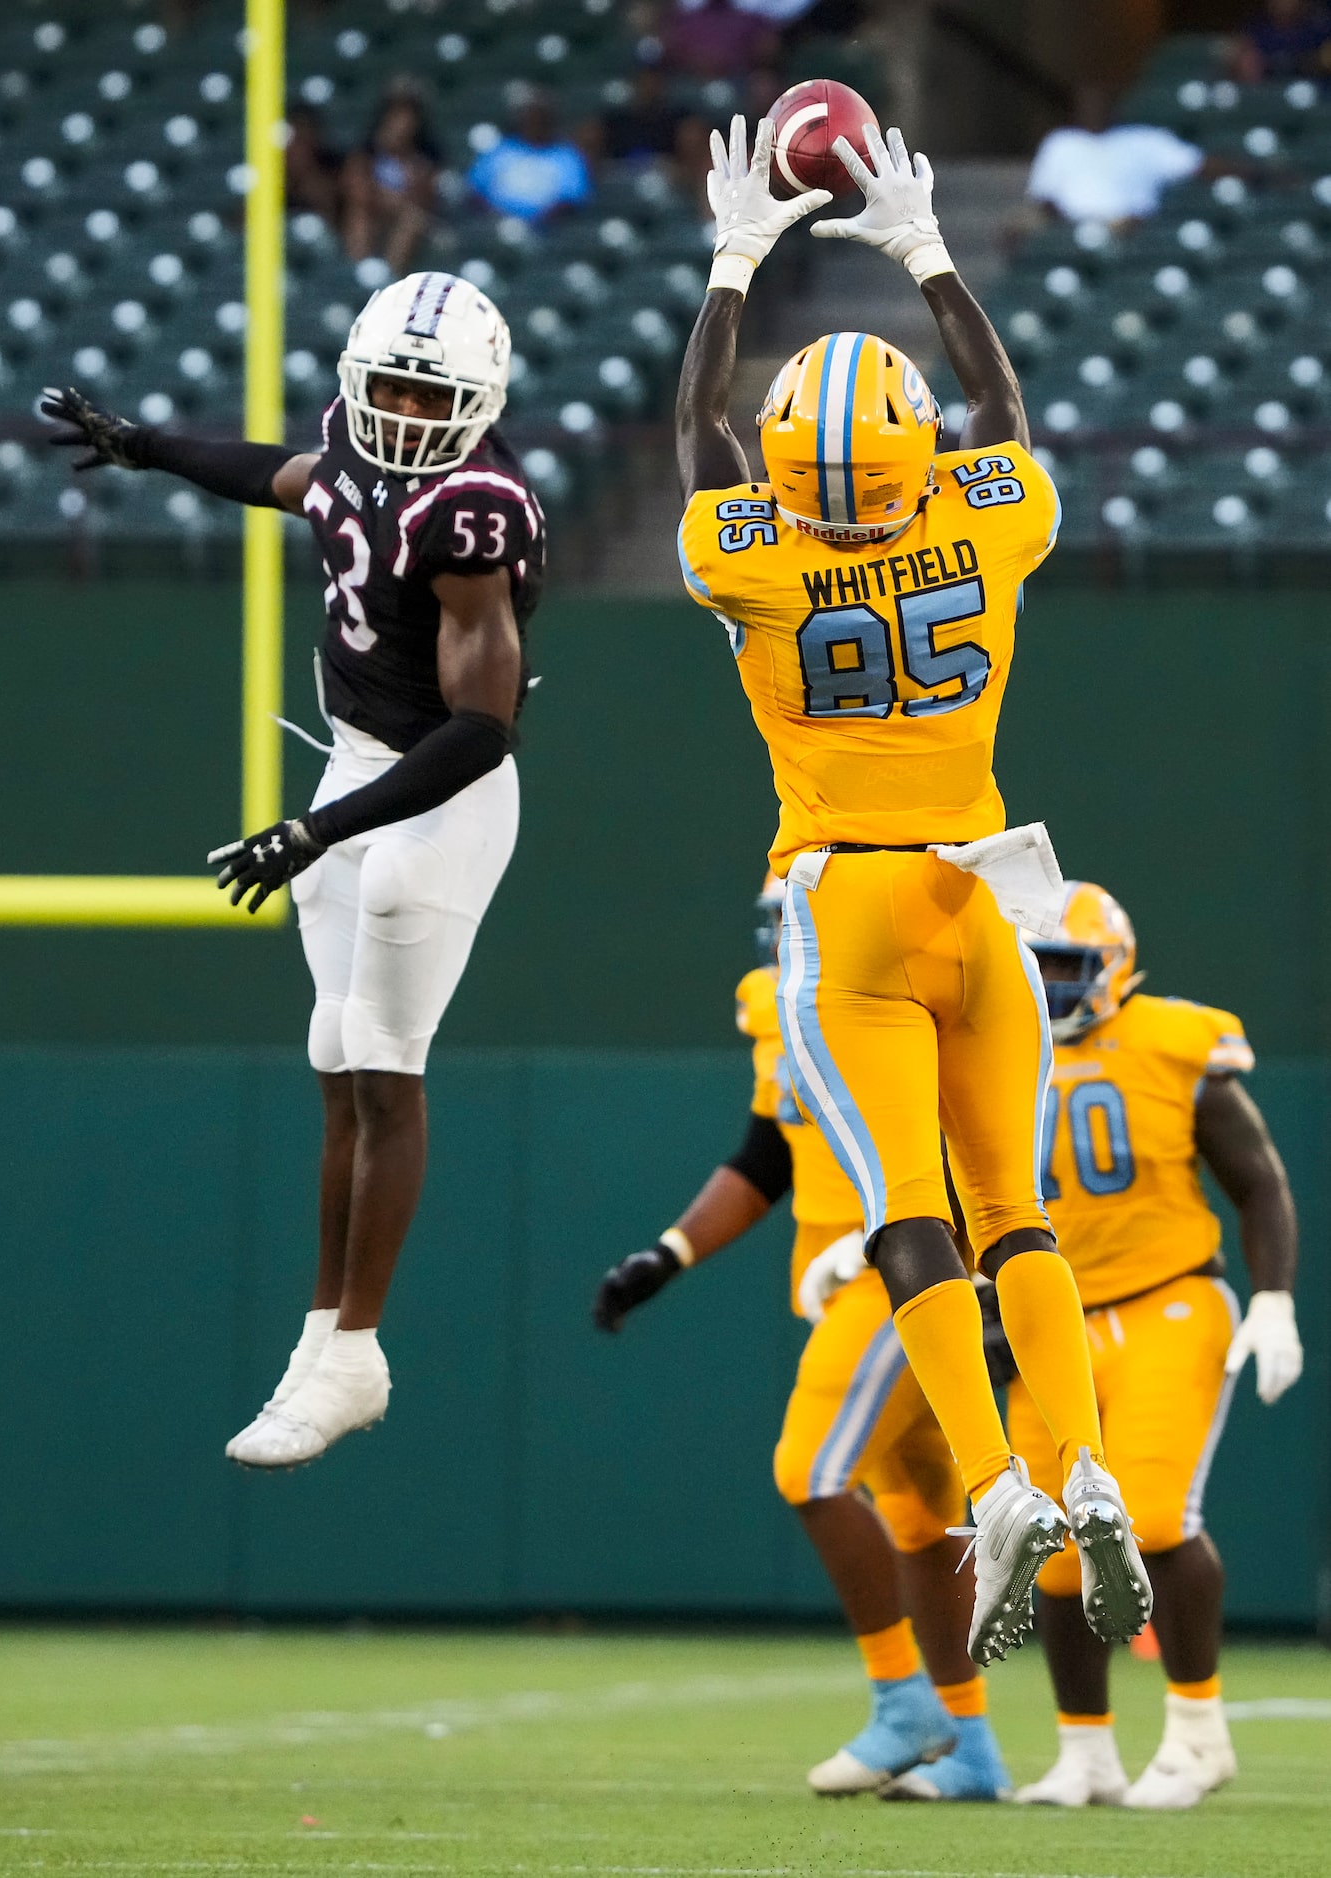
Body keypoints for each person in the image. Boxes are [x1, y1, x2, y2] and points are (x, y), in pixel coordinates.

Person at [674, 114, 1153, 1668]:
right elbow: (1001, 411)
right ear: (913, 451)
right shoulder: (983, 515)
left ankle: (1005, 1489)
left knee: (908, 1216)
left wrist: (738, 263)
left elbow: (703, 445)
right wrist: (927, 253)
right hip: (982, 902)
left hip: (850, 909)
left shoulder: (758, 559)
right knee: (1022, 1215)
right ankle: (1078, 1464)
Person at [41, 270, 545, 1468]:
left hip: (444, 786)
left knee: (385, 1055)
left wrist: (316, 830)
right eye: (388, 387)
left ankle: (359, 1350)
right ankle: (318, 1345)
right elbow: (289, 480)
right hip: (359, 760)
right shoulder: (357, 456)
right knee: (333, 1052)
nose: (407, 413)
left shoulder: (475, 510)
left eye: (432, 394)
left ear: (478, 401)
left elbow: (482, 729)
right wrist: (152, 448)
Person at [593, 876, 1012, 1801]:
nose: (787, 942)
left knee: (812, 1472)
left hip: (903, 1276)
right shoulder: (773, 1013)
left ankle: (903, 1699)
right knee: (915, 1516)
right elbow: (768, 1151)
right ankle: (971, 1747)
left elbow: (982, 1142)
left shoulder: (914, 1003)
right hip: (841, 1283)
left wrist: (951, 1260)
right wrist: (668, 1255)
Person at [1006, 883, 1301, 1811]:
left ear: (1116, 968)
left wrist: (1276, 1300)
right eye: (1039, 966)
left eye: (1069, 966)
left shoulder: (1173, 1043)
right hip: (1054, 1322)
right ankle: (1086, 1753)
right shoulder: (996, 1051)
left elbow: (1258, 1183)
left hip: (1170, 1301)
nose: (1053, 986)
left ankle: (1197, 1732)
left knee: (1156, 1517)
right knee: (1046, 1547)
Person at [1026, 88, 1204, 228]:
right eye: (1087, 105)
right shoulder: (1061, 142)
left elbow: (1196, 164)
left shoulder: (1144, 139)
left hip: (1130, 227)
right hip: (1070, 226)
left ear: (1114, 106)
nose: (1094, 110)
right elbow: (1044, 196)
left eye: (1100, 104)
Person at [342, 89, 443, 277]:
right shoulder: (366, 154)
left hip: (410, 221)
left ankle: (389, 279)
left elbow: (425, 200)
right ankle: (358, 275)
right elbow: (358, 192)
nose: (401, 126)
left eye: (407, 120)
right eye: (396, 118)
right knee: (359, 215)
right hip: (374, 214)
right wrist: (389, 200)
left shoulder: (424, 160)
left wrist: (404, 161)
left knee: (411, 220)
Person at [468, 92, 591, 224]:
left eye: (541, 117)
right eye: (531, 116)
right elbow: (475, 191)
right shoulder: (499, 150)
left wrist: (537, 222)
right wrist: (498, 218)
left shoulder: (567, 156)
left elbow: (572, 198)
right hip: (497, 227)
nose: (536, 121)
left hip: (550, 231)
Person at [1230, 0, 1331, 81]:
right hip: (1268, 94)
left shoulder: (1320, 28)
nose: (1283, 3)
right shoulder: (1256, 30)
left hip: (1316, 94)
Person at [285, 103, 345, 226]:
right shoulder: (267, 182)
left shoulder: (335, 177)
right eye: (291, 142)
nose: (295, 149)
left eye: (301, 140)